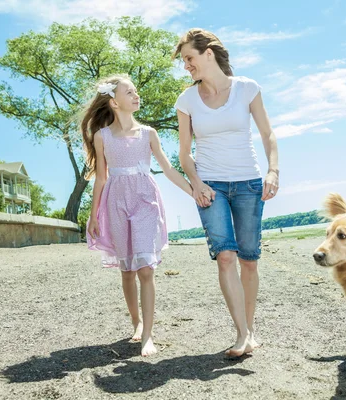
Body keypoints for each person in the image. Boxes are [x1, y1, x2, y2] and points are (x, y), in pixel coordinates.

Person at [173, 28, 280, 358]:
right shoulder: (187, 100)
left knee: (249, 261)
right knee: (225, 256)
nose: (186, 66)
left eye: (189, 58)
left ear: (208, 53)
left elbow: (268, 135)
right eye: (183, 61)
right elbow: (184, 153)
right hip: (211, 187)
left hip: (248, 183)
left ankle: (250, 328)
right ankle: (241, 334)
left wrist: (273, 170)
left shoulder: (247, 88)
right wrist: (197, 183)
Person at [83, 74, 193, 357]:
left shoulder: (148, 134)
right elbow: (101, 178)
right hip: (116, 201)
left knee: (145, 268)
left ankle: (148, 336)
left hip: (145, 199)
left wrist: (194, 190)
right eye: (129, 92)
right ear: (114, 102)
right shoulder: (102, 136)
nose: (136, 95)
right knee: (128, 269)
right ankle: (136, 323)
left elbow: (168, 169)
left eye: (136, 91)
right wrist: (94, 215)